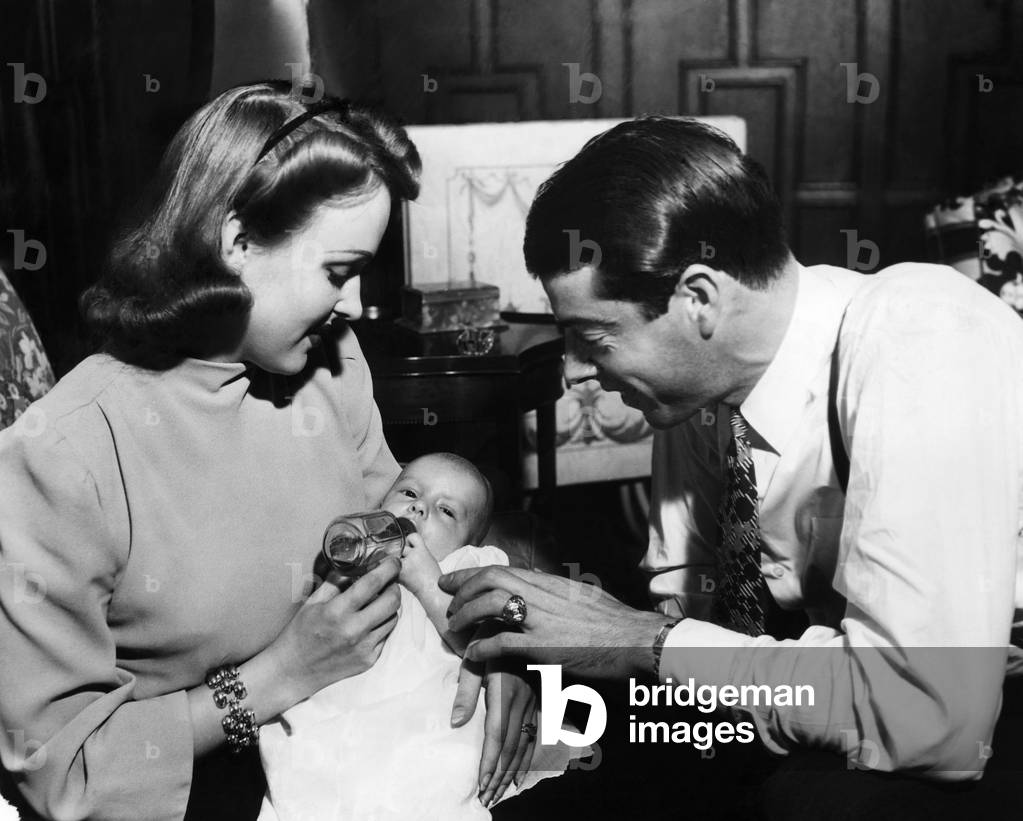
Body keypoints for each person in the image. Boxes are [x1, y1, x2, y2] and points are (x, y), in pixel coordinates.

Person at [440, 116, 1023, 818]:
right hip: (816, 703)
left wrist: (638, 641)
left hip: (970, 717)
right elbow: (687, 633)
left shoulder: (922, 333)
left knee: (795, 805)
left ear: (697, 300)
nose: (574, 372)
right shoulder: (698, 390)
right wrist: (553, 665)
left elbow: (926, 718)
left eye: (592, 337)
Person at [0, 82, 529, 821]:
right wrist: (275, 676)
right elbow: (62, 771)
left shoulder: (333, 365)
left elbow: (411, 555)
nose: (351, 305)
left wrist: (490, 646)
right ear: (236, 242)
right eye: (338, 271)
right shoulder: (63, 455)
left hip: (371, 757)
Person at [260, 452, 581, 820]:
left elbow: (478, 645)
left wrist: (429, 583)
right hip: (343, 720)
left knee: (430, 781)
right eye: (409, 493)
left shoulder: (467, 568)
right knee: (305, 773)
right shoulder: (357, 565)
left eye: (446, 512)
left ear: (469, 542)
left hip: (425, 725)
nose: (420, 510)